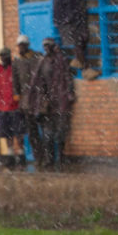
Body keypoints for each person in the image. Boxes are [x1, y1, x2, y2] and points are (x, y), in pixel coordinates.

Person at [48, 0, 99, 80]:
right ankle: (85, 68)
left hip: (77, 13)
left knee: (84, 37)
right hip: (64, 16)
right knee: (76, 41)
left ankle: (78, 60)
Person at [27, 38, 76, 169]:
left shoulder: (61, 60)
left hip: (61, 100)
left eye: (49, 46)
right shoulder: (42, 62)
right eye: (45, 46)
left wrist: (70, 92)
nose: (46, 48)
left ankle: (60, 157)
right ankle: (49, 159)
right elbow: (37, 82)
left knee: (60, 132)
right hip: (47, 103)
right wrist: (40, 98)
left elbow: (67, 77)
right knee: (47, 133)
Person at [11, 34, 45, 165]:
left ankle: (47, 157)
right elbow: (15, 81)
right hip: (26, 101)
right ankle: (38, 157)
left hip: (38, 99)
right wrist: (16, 93)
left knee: (45, 129)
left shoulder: (37, 58)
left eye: (23, 45)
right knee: (32, 131)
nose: (21, 48)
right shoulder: (17, 61)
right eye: (19, 46)